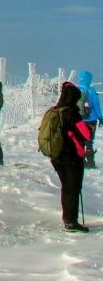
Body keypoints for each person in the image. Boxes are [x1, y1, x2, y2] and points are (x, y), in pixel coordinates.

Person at [50, 82, 92, 232]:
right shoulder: (72, 113)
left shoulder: (55, 111)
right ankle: (71, 222)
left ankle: (67, 219)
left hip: (56, 155)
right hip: (71, 157)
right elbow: (86, 134)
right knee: (72, 189)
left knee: (66, 188)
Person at [76, 71, 102, 168]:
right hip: (91, 120)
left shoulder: (76, 90)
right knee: (89, 141)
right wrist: (100, 117)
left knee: (80, 141)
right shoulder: (91, 91)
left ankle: (82, 162)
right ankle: (91, 163)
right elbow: (96, 105)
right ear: (89, 79)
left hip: (79, 121)